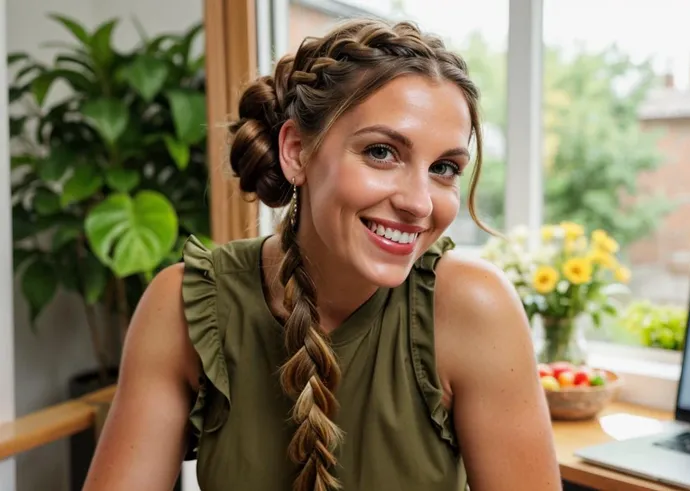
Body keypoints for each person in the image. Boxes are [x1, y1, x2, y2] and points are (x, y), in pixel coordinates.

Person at [82, 18, 561, 491]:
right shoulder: (186, 306)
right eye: (381, 152)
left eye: (443, 167)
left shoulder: (474, 309)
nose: (419, 203)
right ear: (296, 151)